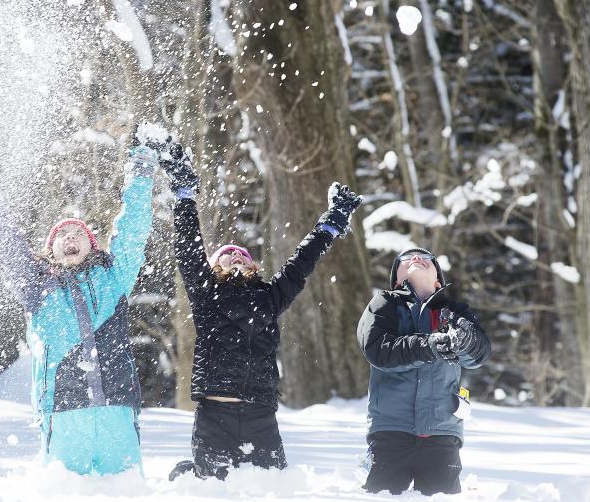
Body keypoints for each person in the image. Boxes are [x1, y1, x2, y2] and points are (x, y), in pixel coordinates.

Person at [163, 142, 363, 480]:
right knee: (210, 490)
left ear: (254, 266)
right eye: (228, 255)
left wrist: (330, 224)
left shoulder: (269, 297)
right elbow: (188, 247)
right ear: (214, 267)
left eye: (243, 255)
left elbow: (301, 264)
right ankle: (190, 474)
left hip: (260, 415)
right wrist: (184, 193)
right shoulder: (206, 294)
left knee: (273, 489)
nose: (237, 257)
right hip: (216, 414)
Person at [0, 124, 168, 476]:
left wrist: (141, 171)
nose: (70, 237)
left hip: (116, 409)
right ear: (50, 251)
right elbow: (6, 247)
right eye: (61, 235)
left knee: (126, 492)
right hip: (64, 412)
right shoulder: (37, 289)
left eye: (78, 232)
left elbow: (133, 229)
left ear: (91, 245)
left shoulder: (113, 278)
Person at [356, 247, 491, 496]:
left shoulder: (454, 311)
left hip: (442, 432)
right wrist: (429, 346)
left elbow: (479, 354)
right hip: (391, 430)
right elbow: (378, 351)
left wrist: (464, 341)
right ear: (397, 278)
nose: (416, 258)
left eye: (426, 259)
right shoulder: (384, 304)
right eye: (406, 259)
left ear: (438, 278)